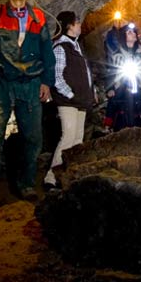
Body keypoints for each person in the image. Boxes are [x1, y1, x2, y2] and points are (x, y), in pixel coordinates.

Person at [0, 0, 55, 216]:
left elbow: (47, 53)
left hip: (30, 83)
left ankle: (27, 184)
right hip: (2, 82)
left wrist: (47, 83)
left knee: (33, 137)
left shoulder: (38, 17)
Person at [44, 11, 95, 189]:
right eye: (77, 22)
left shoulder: (75, 46)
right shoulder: (60, 47)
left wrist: (88, 94)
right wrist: (71, 94)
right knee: (68, 137)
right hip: (69, 101)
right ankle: (51, 177)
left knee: (78, 139)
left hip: (81, 101)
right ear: (69, 26)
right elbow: (57, 77)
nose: (80, 25)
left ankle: (70, 175)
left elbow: (85, 75)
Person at [106, 25, 141, 100]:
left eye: (134, 32)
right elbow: (111, 74)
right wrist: (111, 89)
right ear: (123, 37)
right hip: (123, 97)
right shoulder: (118, 57)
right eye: (129, 32)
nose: (133, 34)